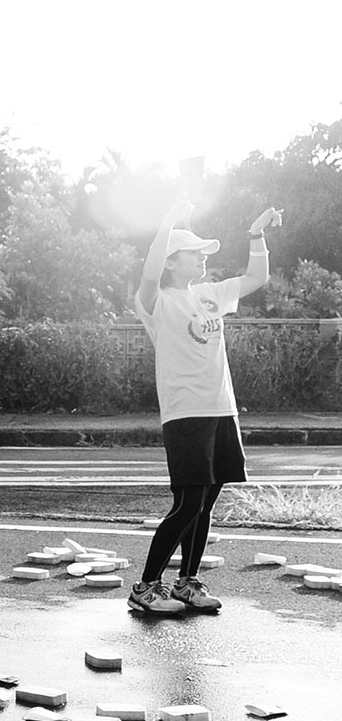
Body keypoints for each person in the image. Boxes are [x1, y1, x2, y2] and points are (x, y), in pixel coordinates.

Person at [128, 201, 283, 614]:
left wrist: (256, 233)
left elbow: (256, 276)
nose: (202, 258)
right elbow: (148, 272)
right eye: (194, 253)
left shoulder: (212, 295)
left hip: (220, 409)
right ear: (172, 262)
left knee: (207, 502)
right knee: (188, 504)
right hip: (185, 412)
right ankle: (145, 587)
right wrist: (167, 221)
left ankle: (186, 583)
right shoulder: (156, 301)